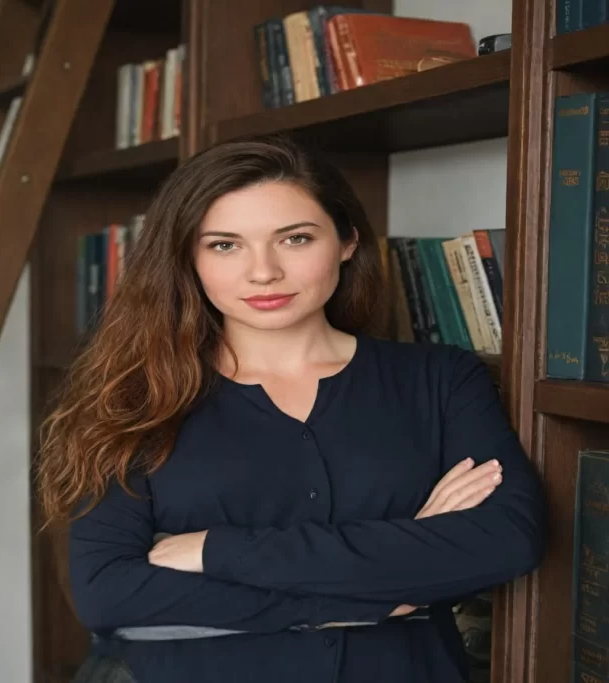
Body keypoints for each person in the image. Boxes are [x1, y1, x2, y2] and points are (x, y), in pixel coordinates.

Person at [34, 134, 546, 683]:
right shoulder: (132, 398)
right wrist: (380, 579)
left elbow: (506, 541)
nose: (263, 272)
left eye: (296, 238)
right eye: (224, 245)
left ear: (348, 241)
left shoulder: (440, 378)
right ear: (187, 257)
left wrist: (215, 549)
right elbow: (109, 595)